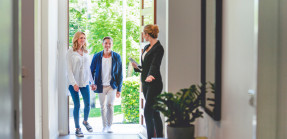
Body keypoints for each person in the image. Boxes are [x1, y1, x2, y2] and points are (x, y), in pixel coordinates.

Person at [131, 24, 164, 139]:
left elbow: (155, 64)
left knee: (147, 112)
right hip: (145, 83)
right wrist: (136, 67)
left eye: (143, 34)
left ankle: (150, 137)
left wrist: (150, 75)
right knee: (154, 112)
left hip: (154, 83)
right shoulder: (146, 47)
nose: (143, 36)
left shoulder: (159, 48)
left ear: (148, 34)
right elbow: (145, 67)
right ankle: (159, 136)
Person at [90, 36, 123, 133]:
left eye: (109, 43)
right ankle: (104, 126)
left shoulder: (117, 57)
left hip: (112, 85)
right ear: (103, 44)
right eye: (106, 43)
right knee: (102, 106)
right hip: (100, 86)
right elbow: (91, 71)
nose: (107, 45)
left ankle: (109, 126)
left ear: (112, 45)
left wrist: (119, 89)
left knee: (110, 105)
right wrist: (92, 83)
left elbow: (120, 74)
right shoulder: (97, 56)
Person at [67, 31, 96, 137]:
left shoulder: (86, 52)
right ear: (76, 39)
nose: (83, 40)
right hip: (73, 83)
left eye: (84, 38)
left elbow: (88, 69)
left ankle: (85, 121)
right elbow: (69, 70)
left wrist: (92, 82)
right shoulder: (70, 52)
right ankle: (77, 128)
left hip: (84, 83)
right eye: (80, 38)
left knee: (87, 104)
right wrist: (74, 83)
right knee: (77, 105)